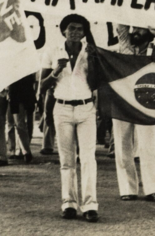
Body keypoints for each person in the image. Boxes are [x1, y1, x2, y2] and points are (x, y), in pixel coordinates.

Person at [39, 14, 99, 222]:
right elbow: (42, 85)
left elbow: (95, 83)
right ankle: (69, 203)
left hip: (85, 107)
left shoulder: (90, 51)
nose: (75, 32)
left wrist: (92, 60)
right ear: (63, 30)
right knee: (67, 160)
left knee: (88, 158)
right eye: (71, 28)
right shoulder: (52, 51)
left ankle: (90, 205)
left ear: (84, 33)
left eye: (80, 29)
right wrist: (56, 70)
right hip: (62, 108)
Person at [112, 24, 155, 202]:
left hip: (145, 102)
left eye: (141, 29)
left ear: (149, 31)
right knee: (122, 145)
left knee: (148, 146)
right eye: (134, 28)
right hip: (121, 101)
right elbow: (121, 24)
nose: (135, 32)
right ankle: (127, 189)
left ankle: (153, 188)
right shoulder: (124, 46)